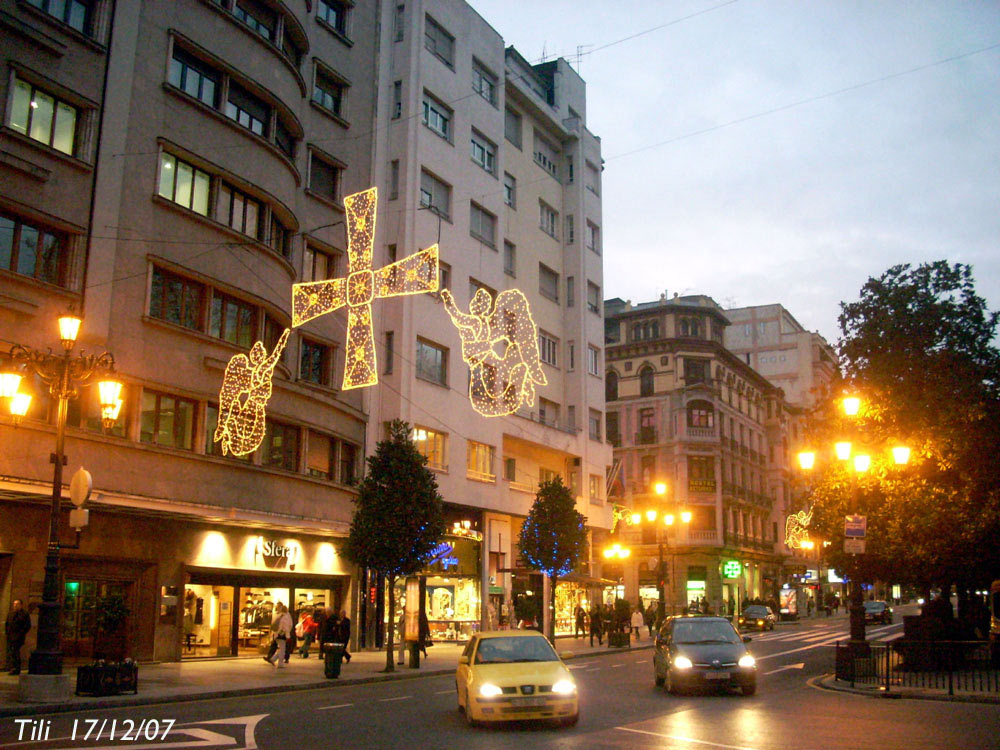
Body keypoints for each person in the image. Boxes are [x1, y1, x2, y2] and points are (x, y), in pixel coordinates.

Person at [5, 599, 30, 675]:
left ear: (21, 605)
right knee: (11, 652)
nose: (15, 606)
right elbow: (7, 624)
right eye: (14, 604)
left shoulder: (24, 614)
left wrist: (20, 634)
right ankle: (11, 667)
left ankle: (16, 668)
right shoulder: (11, 614)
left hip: (18, 637)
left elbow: (27, 626)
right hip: (10, 636)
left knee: (15, 652)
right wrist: (7, 633)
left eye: (17, 604)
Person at [265, 602, 292, 668]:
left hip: (277, 634)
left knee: (281, 649)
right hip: (282, 635)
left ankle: (273, 659)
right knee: (282, 649)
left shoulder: (278, 615)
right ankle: (280, 663)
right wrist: (288, 636)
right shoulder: (285, 617)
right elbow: (286, 627)